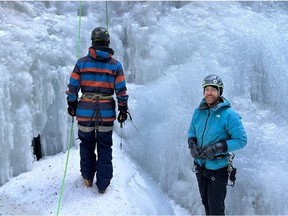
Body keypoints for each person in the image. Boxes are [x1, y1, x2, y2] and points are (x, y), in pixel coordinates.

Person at [66, 27, 128, 194]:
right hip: (106, 113)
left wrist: (71, 104)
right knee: (104, 146)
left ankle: (87, 177)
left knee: (86, 144)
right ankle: (103, 184)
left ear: (93, 41)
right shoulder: (115, 65)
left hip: (84, 111)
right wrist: (123, 108)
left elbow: (72, 88)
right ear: (107, 42)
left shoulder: (81, 63)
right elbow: (121, 91)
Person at [187, 74, 247, 215]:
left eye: (213, 89)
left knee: (216, 209)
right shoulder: (198, 112)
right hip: (200, 167)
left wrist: (217, 148)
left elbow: (241, 140)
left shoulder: (229, 115)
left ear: (220, 92)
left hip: (218, 169)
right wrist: (192, 145)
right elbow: (192, 132)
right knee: (206, 202)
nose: (209, 93)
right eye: (207, 89)